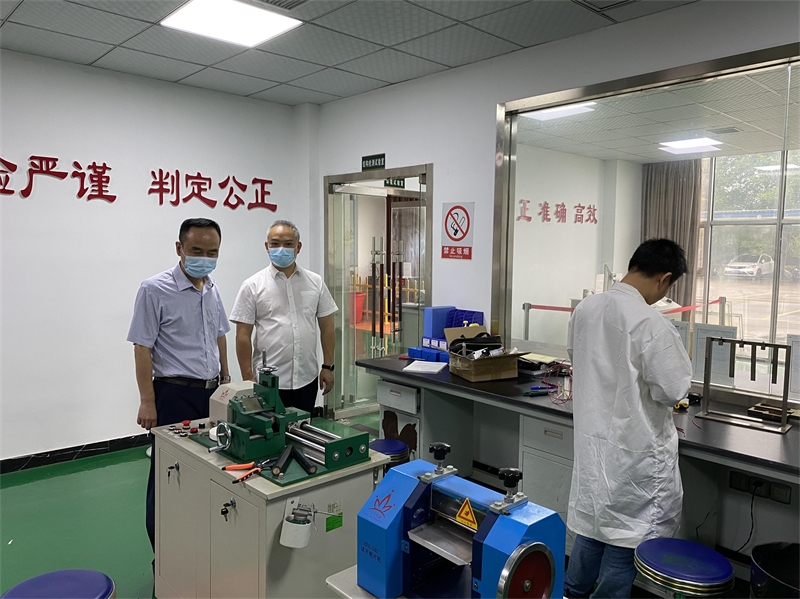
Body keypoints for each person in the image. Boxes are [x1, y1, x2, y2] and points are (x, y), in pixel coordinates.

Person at [564, 239, 693, 599]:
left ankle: (571, 593)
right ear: (663, 278)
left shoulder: (587, 308)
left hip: (594, 447)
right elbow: (674, 390)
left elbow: (577, 356)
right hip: (633, 456)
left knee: (593, 528)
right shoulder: (651, 323)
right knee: (624, 541)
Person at [127, 218, 231, 553]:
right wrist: (147, 401)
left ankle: (196, 549)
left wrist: (226, 378)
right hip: (174, 395)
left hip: (211, 394)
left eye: (212, 252)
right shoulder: (154, 289)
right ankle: (163, 556)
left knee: (210, 470)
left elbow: (219, 336)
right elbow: (142, 348)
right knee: (168, 476)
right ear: (179, 248)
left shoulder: (212, 289)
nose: (205, 258)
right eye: (196, 250)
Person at [230, 220, 337, 413]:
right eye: (275, 243)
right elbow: (242, 335)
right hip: (267, 382)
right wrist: (248, 378)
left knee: (302, 428)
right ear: (267, 247)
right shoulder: (252, 285)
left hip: (307, 378)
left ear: (298, 247)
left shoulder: (315, 282)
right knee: (269, 430)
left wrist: (328, 366)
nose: (281, 249)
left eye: (288, 244)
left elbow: (327, 326)